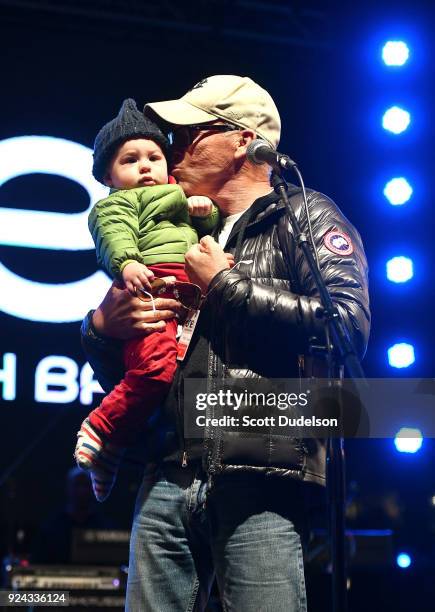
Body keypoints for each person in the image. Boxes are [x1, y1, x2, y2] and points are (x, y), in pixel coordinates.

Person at [81, 75, 370, 611]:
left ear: (242, 141)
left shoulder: (304, 217)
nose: (177, 145)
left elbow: (345, 329)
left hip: (258, 481)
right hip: (166, 471)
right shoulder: (174, 229)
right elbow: (139, 367)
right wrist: (102, 330)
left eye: (193, 131)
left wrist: (225, 285)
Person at [74, 98, 221, 502]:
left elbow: (203, 229)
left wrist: (204, 212)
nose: (145, 167)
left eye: (154, 157)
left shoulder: (179, 196)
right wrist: (127, 265)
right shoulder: (115, 204)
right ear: (108, 175)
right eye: (130, 159)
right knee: (154, 373)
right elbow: (114, 236)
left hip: (188, 297)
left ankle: (114, 448)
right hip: (150, 289)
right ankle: (102, 426)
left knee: (169, 378)